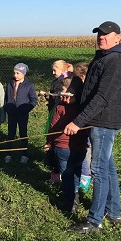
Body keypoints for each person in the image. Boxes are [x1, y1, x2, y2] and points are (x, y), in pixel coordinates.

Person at [64, 21, 121, 234]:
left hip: (104, 121)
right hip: (99, 120)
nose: (101, 37)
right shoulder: (104, 57)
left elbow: (103, 96)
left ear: (117, 38)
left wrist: (78, 121)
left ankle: (94, 222)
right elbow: (92, 89)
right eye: (99, 34)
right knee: (108, 166)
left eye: (106, 34)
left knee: (99, 169)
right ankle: (113, 212)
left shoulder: (117, 60)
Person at [44, 77, 89, 213]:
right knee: (76, 172)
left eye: (64, 93)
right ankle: (75, 197)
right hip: (80, 148)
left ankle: (69, 203)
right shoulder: (85, 109)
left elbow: (53, 127)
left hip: (63, 148)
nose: (63, 96)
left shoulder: (60, 107)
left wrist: (49, 142)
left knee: (68, 175)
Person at [4, 63, 38, 163]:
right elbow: (6, 98)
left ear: (23, 73)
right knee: (11, 133)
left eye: (18, 73)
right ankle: (8, 154)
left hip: (22, 114)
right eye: (14, 73)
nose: (15, 75)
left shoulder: (29, 85)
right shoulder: (10, 84)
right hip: (11, 113)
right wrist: (7, 107)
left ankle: (24, 154)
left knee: (23, 133)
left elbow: (33, 100)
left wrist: (26, 109)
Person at [73, 62, 92, 193]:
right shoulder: (83, 90)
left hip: (87, 125)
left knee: (86, 151)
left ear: (83, 77)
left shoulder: (87, 91)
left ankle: (85, 180)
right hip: (82, 124)